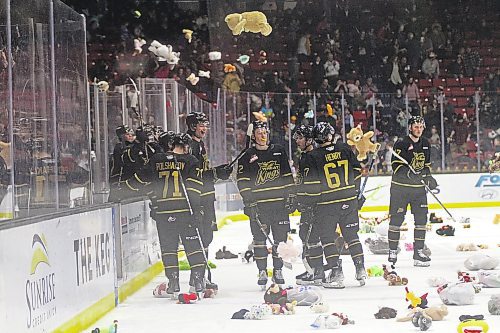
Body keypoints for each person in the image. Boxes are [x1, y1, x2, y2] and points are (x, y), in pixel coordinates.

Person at [125, 132, 207, 295]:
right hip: (185, 212)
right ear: (185, 146)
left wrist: (123, 188)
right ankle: (198, 279)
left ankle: (173, 281)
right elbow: (194, 188)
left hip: (163, 212)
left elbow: (139, 181)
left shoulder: (156, 160)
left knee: (169, 247)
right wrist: (197, 210)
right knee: (193, 245)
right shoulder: (191, 161)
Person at [300, 122, 366, 289]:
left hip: (327, 204)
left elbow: (312, 185)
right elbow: (357, 172)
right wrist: (356, 193)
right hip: (348, 201)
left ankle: (336, 272)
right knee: (352, 235)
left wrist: (309, 203)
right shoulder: (344, 149)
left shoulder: (312, 156)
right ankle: (360, 269)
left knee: (327, 238)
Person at [236, 120, 295, 287]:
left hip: (279, 205)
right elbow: (243, 181)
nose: (263, 136)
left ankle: (278, 270)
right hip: (259, 206)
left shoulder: (279, 151)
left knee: (280, 240)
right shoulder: (247, 155)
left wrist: (291, 195)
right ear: (253, 136)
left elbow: (287, 176)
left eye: (265, 132)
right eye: (259, 133)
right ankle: (262, 271)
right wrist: (249, 202)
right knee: (260, 240)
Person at [185, 112, 233, 285]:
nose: (204, 128)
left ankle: (201, 276)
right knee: (200, 236)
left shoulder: (200, 145)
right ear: (192, 126)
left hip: (206, 196)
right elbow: (192, 175)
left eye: (205, 124)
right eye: (200, 125)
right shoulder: (189, 146)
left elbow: (204, 173)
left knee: (207, 237)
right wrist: (215, 172)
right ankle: (196, 277)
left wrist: (217, 173)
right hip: (197, 199)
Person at [388, 116, 438, 267]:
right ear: (410, 127)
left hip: (418, 191)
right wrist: (409, 174)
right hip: (400, 189)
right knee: (396, 220)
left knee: (422, 220)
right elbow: (396, 165)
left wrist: (428, 177)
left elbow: (427, 164)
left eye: (421, 127)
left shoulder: (425, 143)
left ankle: (419, 252)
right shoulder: (401, 143)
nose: (418, 129)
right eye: (415, 127)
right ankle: (392, 250)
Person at [293, 125, 324, 285]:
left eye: (300, 138)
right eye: (296, 138)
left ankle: (318, 271)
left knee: (312, 236)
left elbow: (316, 184)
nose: (297, 141)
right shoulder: (305, 156)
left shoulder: (314, 156)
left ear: (309, 139)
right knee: (305, 234)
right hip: (307, 204)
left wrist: (311, 203)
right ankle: (313, 269)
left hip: (315, 205)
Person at [108, 125, 135, 202]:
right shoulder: (119, 148)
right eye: (127, 134)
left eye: (131, 134)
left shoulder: (131, 147)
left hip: (128, 183)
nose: (130, 136)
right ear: (121, 136)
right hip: (120, 182)